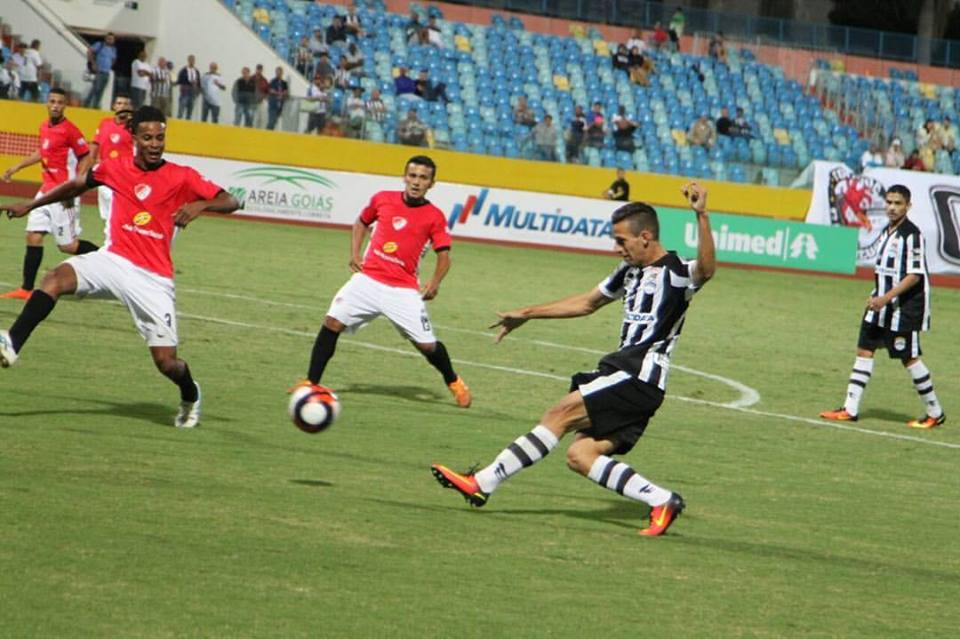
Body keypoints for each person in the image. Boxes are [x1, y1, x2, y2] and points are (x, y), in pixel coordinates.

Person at [431, 183, 716, 537]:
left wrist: (701, 215)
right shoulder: (628, 272)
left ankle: (483, 482)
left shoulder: (675, 271)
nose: (617, 248)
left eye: (622, 240)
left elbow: (705, 269)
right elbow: (587, 303)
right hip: (627, 376)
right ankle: (662, 500)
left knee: (558, 413)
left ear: (645, 237)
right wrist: (530, 313)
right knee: (581, 456)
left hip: (638, 375)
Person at [0, 106, 240, 427]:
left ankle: (190, 394)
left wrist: (201, 204)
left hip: (152, 280)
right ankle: (12, 343)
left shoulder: (182, 175)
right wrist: (30, 203)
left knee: (168, 364)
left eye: (160, 137)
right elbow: (75, 186)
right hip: (112, 260)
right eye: (148, 137)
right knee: (54, 278)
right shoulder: (114, 168)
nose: (155, 144)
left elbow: (231, 201)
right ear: (134, 138)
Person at [297, 155, 472, 409]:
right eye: (412, 176)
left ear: (431, 183)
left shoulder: (434, 216)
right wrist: (355, 254)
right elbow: (361, 222)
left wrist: (435, 283)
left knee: (426, 345)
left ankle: (453, 381)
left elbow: (444, 257)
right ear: (404, 177)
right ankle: (311, 383)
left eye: (423, 178)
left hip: (402, 290)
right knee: (332, 322)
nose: (416, 182)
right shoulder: (383, 199)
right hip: (367, 280)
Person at [820, 185, 945, 430]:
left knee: (909, 358)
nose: (891, 207)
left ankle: (935, 411)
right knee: (864, 350)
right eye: (889, 202)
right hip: (879, 305)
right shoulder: (887, 231)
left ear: (908, 206)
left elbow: (914, 275)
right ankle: (850, 408)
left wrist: (885, 298)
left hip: (902, 308)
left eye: (898, 203)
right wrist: (879, 298)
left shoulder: (912, 235)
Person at [0, 88, 99, 301]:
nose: (55, 105)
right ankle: (26, 289)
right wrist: (16, 167)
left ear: (65, 106)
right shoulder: (44, 126)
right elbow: (43, 152)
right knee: (33, 236)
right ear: (47, 103)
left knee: (68, 246)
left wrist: (75, 184)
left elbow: (86, 156)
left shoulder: (70, 130)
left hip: (63, 195)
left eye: (60, 102)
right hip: (44, 191)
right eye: (52, 101)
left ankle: (105, 264)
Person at [88, 93, 134, 232]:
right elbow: (95, 145)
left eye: (126, 104)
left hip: (123, 176)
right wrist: (89, 167)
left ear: (130, 108)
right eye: (119, 103)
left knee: (118, 212)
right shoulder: (104, 123)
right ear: (114, 106)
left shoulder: (134, 128)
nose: (122, 107)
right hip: (104, 174)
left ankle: (114, 243)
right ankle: (112, 241)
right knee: (107, 215)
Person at [85, 33, 117, 109]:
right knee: (95, 89)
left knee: (101, 91)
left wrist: (109, 65)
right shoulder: (100, 45)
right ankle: (87, 104)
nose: (110, 40)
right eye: (108, 38)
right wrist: (93, 63)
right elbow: (90, 51)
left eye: (112, 39)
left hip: (106, 72)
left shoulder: (113, 49)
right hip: (99, 71)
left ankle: (95, 106)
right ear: (105, 39)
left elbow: (113, 59)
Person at [176, 55, 201, 120]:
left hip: (193, 91)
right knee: (182, 106)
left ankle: (188, 121)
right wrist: (189, 82)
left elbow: (199, 82)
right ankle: (179, 120)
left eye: (193, 60)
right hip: (185, 90)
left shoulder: (196, 71)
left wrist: (198, 90)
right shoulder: (184, 70)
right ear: (188, 60)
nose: (192, 61)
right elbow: (180, 80)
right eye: (191, 60)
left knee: (190, 107)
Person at [252, 64, 270, 128]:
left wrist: (264, 96)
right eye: (258, 69)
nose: (259, 71)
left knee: (262, 119)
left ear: (262, 70)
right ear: (256, 69)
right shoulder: (251, 79)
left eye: (260, 69)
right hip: (252, 102)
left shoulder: (264, 80)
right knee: (253, 120)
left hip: (261, 102)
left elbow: (267, 91)